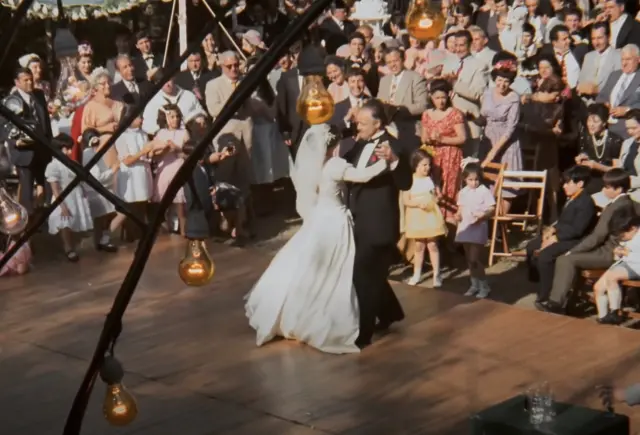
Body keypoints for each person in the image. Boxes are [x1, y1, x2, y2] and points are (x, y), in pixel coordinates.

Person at [245, 123, 388, 354]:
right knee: (336, 269)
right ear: (335, 144)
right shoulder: (335, 164)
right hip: (336, 221)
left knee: (309, 267)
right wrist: (387, 162)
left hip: (319, 219)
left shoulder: (311, 167)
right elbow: (363, 176)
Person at [342, 99, 413, 348]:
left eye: (363, 123)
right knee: (371, 274)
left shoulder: (394, 146)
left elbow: (405, 182)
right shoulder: (360, 142)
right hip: (357, 219)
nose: (358, 127)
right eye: (357, 122)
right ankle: (390, 312)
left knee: (363, 276)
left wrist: (394, 161)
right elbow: (343, 161)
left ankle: (364, 334)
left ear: (378, 124)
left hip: (379, 224)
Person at [526, 166, 597, 304]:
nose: (564, 186)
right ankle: (541, 280)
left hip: (575, 240)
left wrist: (556, 238)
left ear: (580, 184)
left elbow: (577, 229)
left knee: (545, 255)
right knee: (531, 246)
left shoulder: (585, 202)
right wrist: (551, 230)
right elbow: (563, 221)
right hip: (562, 233)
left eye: (568, 183)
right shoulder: (572, 198)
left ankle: (547, 293)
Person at [45, 135, 93, 262]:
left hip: (76, 196)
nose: (70, 151)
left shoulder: (72, 163)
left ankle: (74, 245)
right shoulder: (53, 166)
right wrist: (62, 205)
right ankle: (68, 248)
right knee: (64, 223)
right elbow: (55, 189)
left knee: (73, 222)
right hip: (64, 197)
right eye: (67, 149)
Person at [403, 149, 446, 287]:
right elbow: (406, 200)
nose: (427, 168)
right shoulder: (409, 180)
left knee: (432, 244)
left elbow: (435, 196)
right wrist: (417, 204)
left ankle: (437, 274)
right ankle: (417, 274)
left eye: (429, 165)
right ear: (415, 165)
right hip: (417, 216)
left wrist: (437, 198)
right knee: (419, 246)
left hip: (430, 215)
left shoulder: (430, 180)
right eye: (424, 165)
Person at [455, 163, 496, 298]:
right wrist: (458, 215)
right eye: (470, 180)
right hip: (465, 226)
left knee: (475, 258)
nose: (473, 183)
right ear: (465, 179)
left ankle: (484, 285)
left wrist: (483, 215)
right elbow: (460, 208)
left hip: (478, 227)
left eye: (476, 179)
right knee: (469, 258)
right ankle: (474, 284)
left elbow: (491, 208)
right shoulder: (463, 192)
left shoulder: (484, 191)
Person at [592, 212, 640, 324]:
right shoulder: (628, 236)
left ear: (633, 228)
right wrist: (618, 253)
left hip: (637, 265)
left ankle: (614, 312)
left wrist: (628, 254)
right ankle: (603, 317)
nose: (622, 237)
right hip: (625, 263)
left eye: (623, 235)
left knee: (612, 276)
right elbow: (620, 255)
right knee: (598, 288)